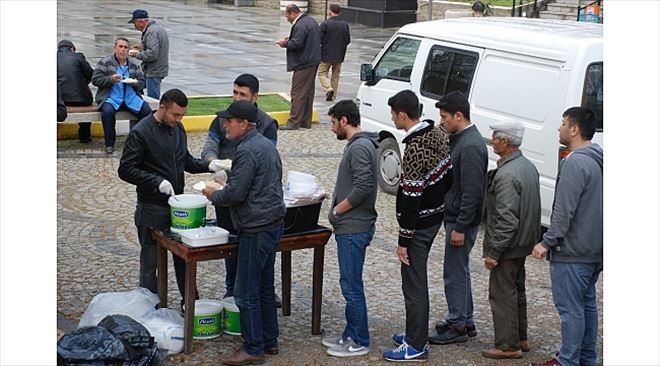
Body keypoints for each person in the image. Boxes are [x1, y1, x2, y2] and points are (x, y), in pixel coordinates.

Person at [118, 88, 227, 311]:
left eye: (182, 116)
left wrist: (208, 165)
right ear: (162, 107)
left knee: (184, 256)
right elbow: (126, 169)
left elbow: (185, 160)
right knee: (151, 262)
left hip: (177, 206)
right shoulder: (141, 132)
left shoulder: (178, 129)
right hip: (151, 207)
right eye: (175, 115)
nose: (178, 120)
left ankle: (190, 302)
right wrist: (155, 181)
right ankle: (148, 307)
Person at [202, 100, 286, 365]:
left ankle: (253, 347)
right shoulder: (264, 146)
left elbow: (237, 194)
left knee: (245, 290)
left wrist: (215, 194)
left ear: (243, 124)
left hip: (257, 226)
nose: (224, 125)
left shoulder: (248, 150)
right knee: (263, 285)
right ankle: (269, 340)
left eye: (229, 121)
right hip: (271, 222)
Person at [381, 90, 452, 362]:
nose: (391, 118)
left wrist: (403, 240)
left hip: (420, 224)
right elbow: (449, 178)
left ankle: (416, 344)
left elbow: (411, 200)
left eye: (392, 114)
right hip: (434, 217)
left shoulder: (414, 149)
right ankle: (415, 332)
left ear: (402, 114)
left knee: (413, 284)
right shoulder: (438, 135)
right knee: (416, 281)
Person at [530, 107, 603, 366]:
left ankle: (569, 361)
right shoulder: (599, 159)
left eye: (562, 123)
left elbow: (563, 210)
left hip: (573, 252)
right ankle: (585, 359)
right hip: (594, 250)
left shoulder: (576, 162)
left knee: (571, 310)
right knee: (587, 307)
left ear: (574, 129)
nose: (558, 128)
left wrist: (546, 242)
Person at [200, 73, 278, 303]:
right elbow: (209, 146)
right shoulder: (223, 118)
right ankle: (232, 288)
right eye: (234, 92)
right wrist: (214, 163)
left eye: (242, 94)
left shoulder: (267, 124)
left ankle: (260, 293)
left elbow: (267, 158)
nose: (237, 98)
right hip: (227, 190)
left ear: (255, 97)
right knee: (230, 241)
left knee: (259, 252)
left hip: (254, 199)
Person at [429, 91, 487, 345]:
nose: (441, 121)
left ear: (459, 116)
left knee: (453, 272)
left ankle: (458, 324)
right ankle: (466, 319)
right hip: (456, 216)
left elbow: (472, 191)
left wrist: (461, 226)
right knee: (459, 270)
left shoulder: (471, 146)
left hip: (461, 221)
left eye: (444, 117)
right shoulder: (460, 138)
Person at [321, 100, 378, 358]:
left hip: (353, 227)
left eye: (333, 122)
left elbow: (364, 185)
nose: (332, 128)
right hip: (351, 226)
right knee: (349, 282)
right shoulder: (359, 145)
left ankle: (360, 339)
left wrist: (338, 210)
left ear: (344, 120)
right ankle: (350, 332)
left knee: (351, 285)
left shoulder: (360, 147)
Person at [480, 119, 541, 360]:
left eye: (495, 136)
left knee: (502, 294)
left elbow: (506, 220)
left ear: (505, 142)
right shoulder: (528, 166)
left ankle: (507, 345)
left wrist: (494, 253)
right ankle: (521, 338)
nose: (492, 140)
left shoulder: (506, 175)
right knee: (517, 290)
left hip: (508, 246)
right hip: (523, 243)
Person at [92, 37, 152, 154]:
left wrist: (135, 83)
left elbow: (142, 82)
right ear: (115, 48)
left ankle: (145, 142)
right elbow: (95, 80)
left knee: (147, 112)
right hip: (111, 98)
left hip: (131, 98)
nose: (123, 50)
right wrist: (110, 79)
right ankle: (109, 144)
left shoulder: (134, 65)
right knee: (107, 113)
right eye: (120, 47)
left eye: (125, 47)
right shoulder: (105, 62)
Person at [276, 4, 321, 130]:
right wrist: (290, 38)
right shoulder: (310, 21)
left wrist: (284, 43)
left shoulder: (300, 25)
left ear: (292, 13)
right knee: (308, 92)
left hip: (303, 63)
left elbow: (297, 44)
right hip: (312, 61)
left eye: (287, 16)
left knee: (298, 93)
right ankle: (305, 121)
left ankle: (294, 122)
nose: (287, 19)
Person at [57, 39, 94, 142]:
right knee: (85, 100)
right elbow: (91, 74)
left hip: (61, 101)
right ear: (72, 49)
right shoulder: (78, 56)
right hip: (81, 99)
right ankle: (85, 136)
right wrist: (82, 83)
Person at [128, 9, 169, 99]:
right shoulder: (156, 28)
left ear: (140, 22)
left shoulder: (151, 32)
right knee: (138, 85)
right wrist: (142, 47)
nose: (135, 27)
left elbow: (152, 54)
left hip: (154, 71)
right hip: (156, 69)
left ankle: (153, 112)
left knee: (153, 100)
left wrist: (136, 54)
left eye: (134, 23)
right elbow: (156, 47)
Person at [318, 4, 350, 102]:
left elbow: (319, 39)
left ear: (330, 11)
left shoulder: (325, 24)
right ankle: (333, 95)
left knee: (322, 73)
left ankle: (328, 89)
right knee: (335, 75)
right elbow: (348, 40)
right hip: (339, 54)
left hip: (326, 54)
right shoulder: (344, 24)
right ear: (339, 12)